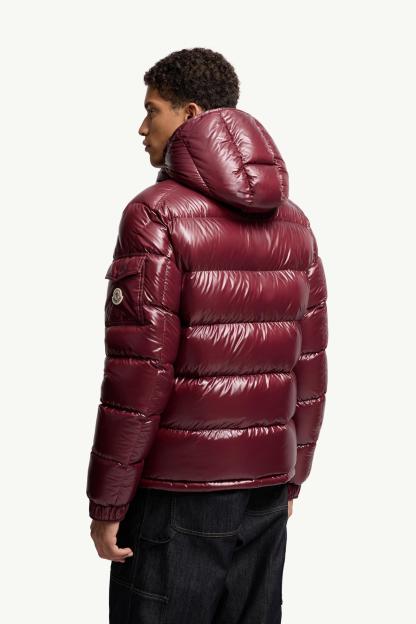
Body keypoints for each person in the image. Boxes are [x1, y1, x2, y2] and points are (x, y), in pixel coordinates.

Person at [86, 47, 328, 623]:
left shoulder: (154, 215)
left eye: (153, 110)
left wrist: (108, 500)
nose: (141, 127)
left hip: (176, 497)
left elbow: (138, 374)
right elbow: (310, 365)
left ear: (191, 113)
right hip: (265, 493)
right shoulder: (294, 222)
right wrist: (291, 478)